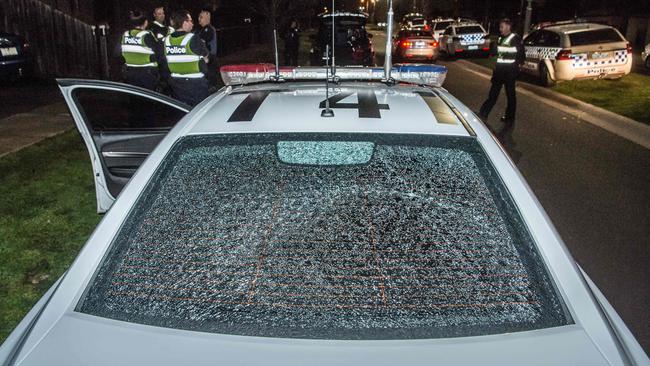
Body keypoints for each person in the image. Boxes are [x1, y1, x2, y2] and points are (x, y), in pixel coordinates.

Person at [478, 18, 525, 125]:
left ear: (508, 27)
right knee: (493, 94)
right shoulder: (500, 38)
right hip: (499, 72)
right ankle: (483, 113)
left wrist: (517, 69)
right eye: (500, 27)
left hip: (510, 72)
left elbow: (521, 55)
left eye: (502, 27)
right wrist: (492, 50)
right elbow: (497, 53)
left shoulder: (515, 38)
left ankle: (510, 117)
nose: (500, 29)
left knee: (510, 96)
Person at [163, 10, 210, 106]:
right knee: (200, 112)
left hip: (176, 83)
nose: (192, 24)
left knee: (183, 112)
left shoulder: (166, 40)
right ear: (184, 23)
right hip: (196, 84)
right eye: (190, 21)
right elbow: (206, 58)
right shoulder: (193, 38)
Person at [120, 10, 165, 90]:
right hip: (147, 74)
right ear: (145, 22)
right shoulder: (146, 36)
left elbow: (118, 53)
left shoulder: (125, 35)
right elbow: (160, 55)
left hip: (130, 73)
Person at [196, 8, 218, 87]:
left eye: (201, 17)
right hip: (208, 58)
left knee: (210, 81)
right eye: (199, 17)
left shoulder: (208, 29)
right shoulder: (202, 29)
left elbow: (202, 42)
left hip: (209, 58)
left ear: (207, 18)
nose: (199, 19)